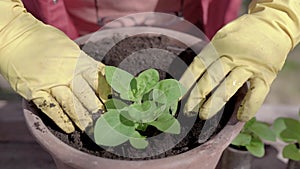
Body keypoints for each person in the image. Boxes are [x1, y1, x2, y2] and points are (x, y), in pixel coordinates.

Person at [0, 0, 299, 134]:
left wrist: (280, 15)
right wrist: (11, 30)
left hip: (198, 21)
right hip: (73, 27)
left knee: (203, 86)